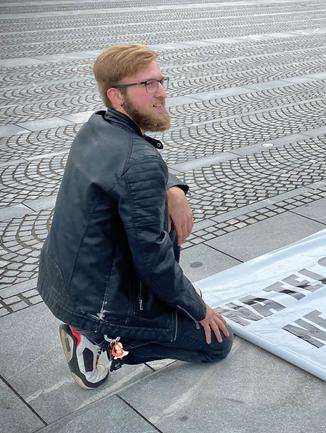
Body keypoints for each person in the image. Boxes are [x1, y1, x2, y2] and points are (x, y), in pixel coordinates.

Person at [37, 44, 232, 389]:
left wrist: (172, 188)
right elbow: (153, 261)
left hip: (64, 283)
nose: (161, 92)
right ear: (116, 96)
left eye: (161, 80)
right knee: (217, 343)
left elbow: (130, 172)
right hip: (99, 304)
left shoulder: (97, 127)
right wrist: (198, 309)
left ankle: (89, 327)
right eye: (148, 85)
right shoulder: (138, 159)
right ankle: (99, 346)